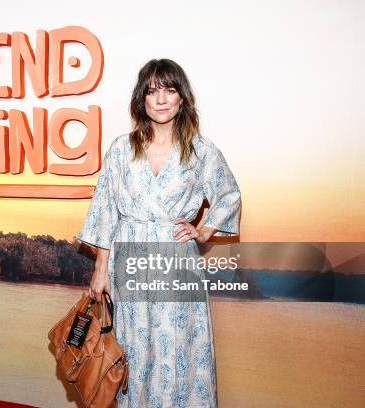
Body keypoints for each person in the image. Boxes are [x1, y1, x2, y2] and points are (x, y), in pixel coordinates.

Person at [75, 58, 241, 407]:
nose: (162, 99)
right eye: (152, 91)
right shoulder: (122, 148)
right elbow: (106, 209)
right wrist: (100, 269)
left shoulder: (200, 149)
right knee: (134, 347)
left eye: (170, 89)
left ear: (182, 97)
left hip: (175, 259)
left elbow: (229, 194)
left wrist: (203, 230)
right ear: (142, 99)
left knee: (178, 347)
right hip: (130, 256)